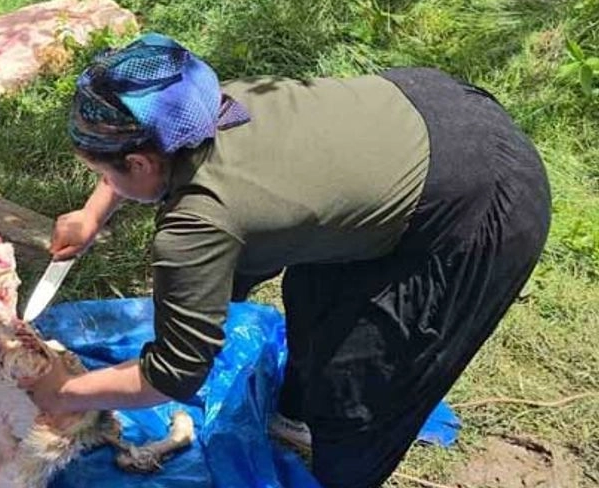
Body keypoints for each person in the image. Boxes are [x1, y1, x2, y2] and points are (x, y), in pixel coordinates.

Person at [29, 33, 550, 488]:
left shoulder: (197, 223)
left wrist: (67, 392)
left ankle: (339, 474)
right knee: (313, 296)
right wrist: (92, 213)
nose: (104, 181)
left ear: (140, 162)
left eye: (101, 173)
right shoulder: (197, 103)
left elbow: (175, 373)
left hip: (479, 195)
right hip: (422, 110)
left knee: (366, 381)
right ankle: (297, 412)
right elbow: (137, 158)